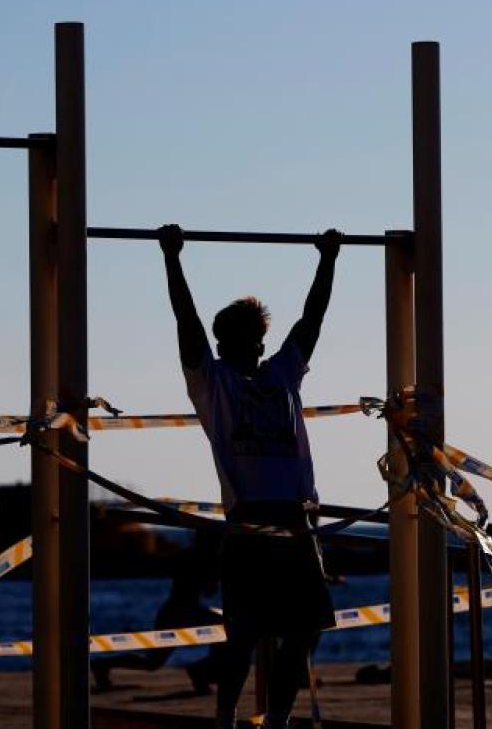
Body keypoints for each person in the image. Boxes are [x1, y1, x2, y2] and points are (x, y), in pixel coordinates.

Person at [158, 224, 340, 729]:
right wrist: (171, 257)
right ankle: (226, 718)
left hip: (296, 519)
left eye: (256, 339)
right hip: (249, 522)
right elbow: (186, 321)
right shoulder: (212, 382)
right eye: (243, 339)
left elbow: (312, 319)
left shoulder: (282, 373)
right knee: (243, 636)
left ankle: (277, 720)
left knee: (303, 631)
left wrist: (329, 259)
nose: (253, 347)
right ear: (224, 343)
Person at [91, 533, 225, 694]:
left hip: (173, 610)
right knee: (226, 628)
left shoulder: (190, 555)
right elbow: (209, 591)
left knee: (152, 662)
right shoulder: (207, 559)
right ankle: (202, 672)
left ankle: (103, 664)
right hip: (185, 611)